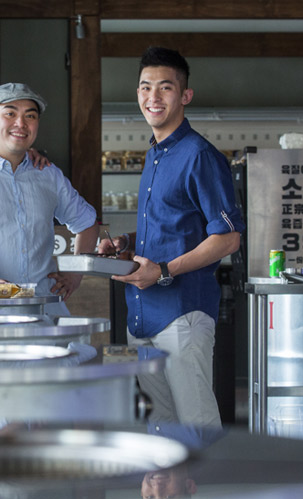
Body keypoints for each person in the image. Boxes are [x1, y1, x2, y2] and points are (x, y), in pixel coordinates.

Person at [98, 47, 245, 427]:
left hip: (182, 314)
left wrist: (162, 270)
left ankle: (205, 489)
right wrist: (128, 243)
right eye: (146, 87)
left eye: (165, 88)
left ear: (185, 96)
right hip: (141, 316)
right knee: (156, 427)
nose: (153, 97)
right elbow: (171, 225)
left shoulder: (199, 154)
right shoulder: (155, 154)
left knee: (195, 425)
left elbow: (228, 239)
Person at [0, 83, 99, 315]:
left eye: (30, 116)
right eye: (10, 113)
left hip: (44, 310)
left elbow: (87, 223)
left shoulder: (48, 174)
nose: (21, 123)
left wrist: (75, 275)